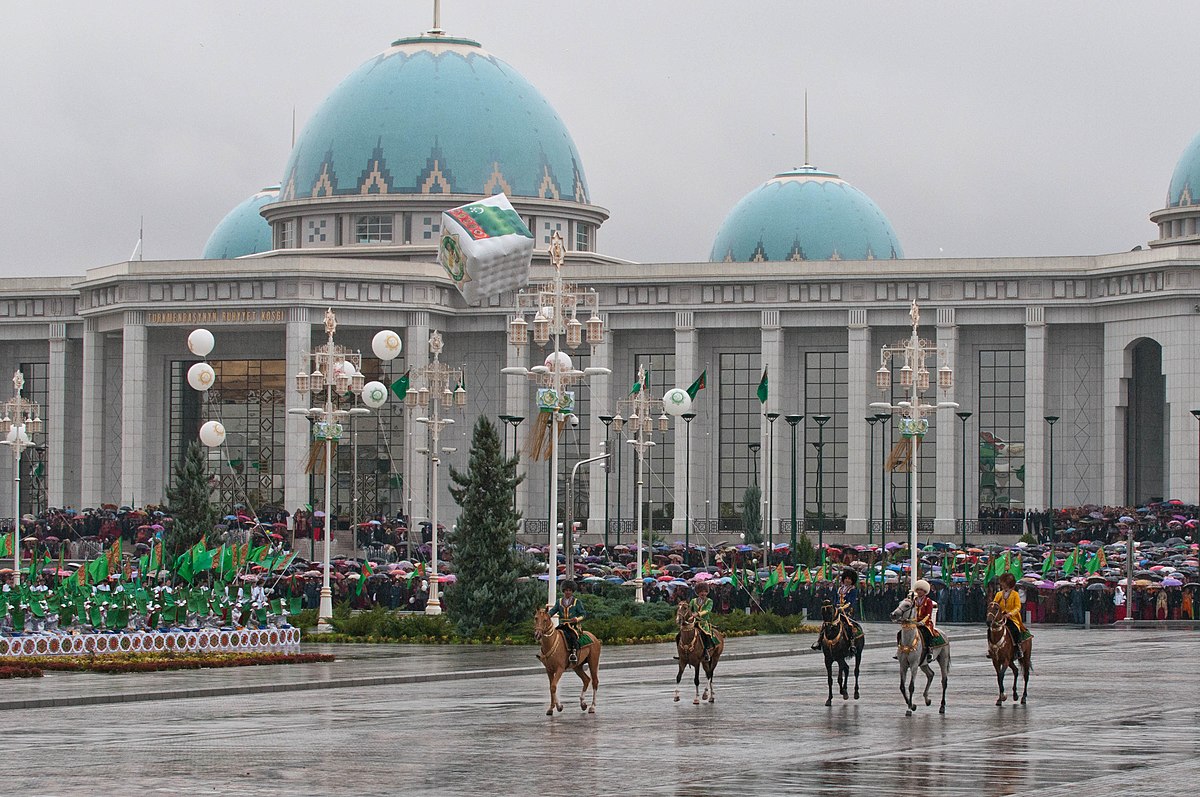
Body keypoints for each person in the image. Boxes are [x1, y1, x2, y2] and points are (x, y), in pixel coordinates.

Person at [813, 568, 863, 649]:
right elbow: (836, 599)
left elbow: (851, 602)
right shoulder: (839, 589)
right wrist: (834, 606)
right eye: (846, 578)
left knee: (850, 625)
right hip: (837, 610)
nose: (847, 580)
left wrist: (842, 608)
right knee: (825, 623)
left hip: (847, 611)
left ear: (852, 580)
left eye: (849, 579)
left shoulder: (853, 590)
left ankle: (852, 643)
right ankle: (819, 641)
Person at [990, 572, 1033, 657]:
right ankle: (991, 648)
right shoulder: (999, 594)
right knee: (990, 630)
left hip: (1012, 618)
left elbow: (1018, 607)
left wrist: (1010, 614)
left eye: (1004, 583)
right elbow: (995, 604)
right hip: (1000, 617)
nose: (1002, 584)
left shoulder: (1015, 594)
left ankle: (1018, 648)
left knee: (1015, 630)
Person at [548, 580, 586, 664]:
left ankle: (573, 654)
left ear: (572, 591)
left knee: (572, 636)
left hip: (573, 626)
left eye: (569, 590)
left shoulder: (577, 602)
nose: (568, 592)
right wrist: (546, 616)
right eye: (566, 590)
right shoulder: (559, 601)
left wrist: (577, 619)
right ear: (563, 591)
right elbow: (553, 611)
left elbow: (583, 614)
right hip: (562, 625)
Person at [689, 581, 718, 661]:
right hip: (693, 622)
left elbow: (708, 610)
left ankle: (706, 651)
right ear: (698, 592)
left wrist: (698, 614)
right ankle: (682, 653)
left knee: (705, 635)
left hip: (703, 623)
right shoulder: (693, 601)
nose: (703, 593)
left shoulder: (709, 601)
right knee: (682, 634)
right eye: (701, 591)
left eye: (705, 591)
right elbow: (689, 609)